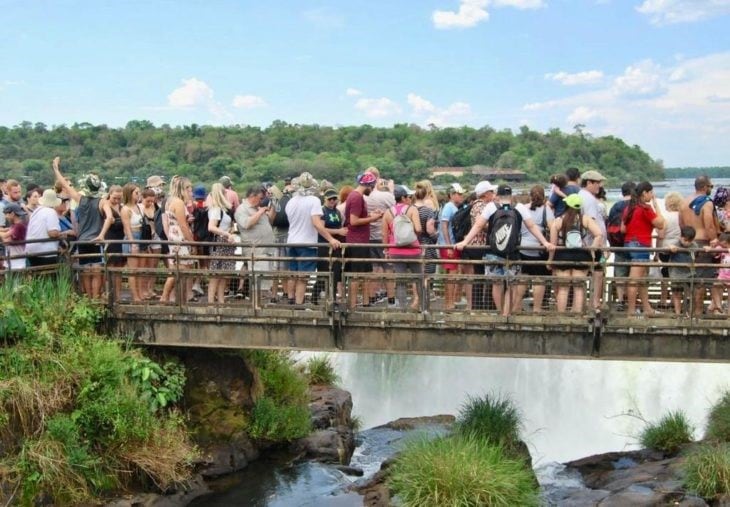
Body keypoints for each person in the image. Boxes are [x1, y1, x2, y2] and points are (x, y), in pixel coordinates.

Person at [456, 185, 554, 316]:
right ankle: (507, 313)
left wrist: (465, 242)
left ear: (497, 195)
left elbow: (478, 225)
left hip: (493, 253)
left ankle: (501, 312)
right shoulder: (519, 208)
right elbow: (531, 226)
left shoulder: (491, 207)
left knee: (497, 285)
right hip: (512, 253)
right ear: (511, 195)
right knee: (511, 286)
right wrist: (545, 242)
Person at [53, 158, 106, 299]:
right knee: (96, 270)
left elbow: (64, 184)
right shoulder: (101, 202)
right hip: (95, 240)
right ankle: (95, 298)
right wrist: (102, 233)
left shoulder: (79, 199)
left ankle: (88, 298)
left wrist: (56, 169)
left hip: (82, 240)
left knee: (85, 271)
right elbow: (110, 217)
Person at [285, 172, 341, 305]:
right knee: (303, 277)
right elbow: (316, 223)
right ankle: (299, 303)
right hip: (307, 243)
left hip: (292, 241)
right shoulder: (314, 201)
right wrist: (331, 239)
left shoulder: (291, 201)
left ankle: (291, 299)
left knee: (293, 272)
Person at [547, 194, 604, 313]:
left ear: (567, 205)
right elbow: (599, 234)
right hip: (581, 255)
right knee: (579, 288)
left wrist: (550, 260)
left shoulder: (558, 221)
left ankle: (561, 316)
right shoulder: (585, 219)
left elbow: (553, 245)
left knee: (563, 288)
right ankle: (577, 315)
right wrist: (592, 249)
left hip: (562, 256)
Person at [679, 175, 721, 315]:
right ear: (704, 187)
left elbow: (681, 224)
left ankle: (689, 311)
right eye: (710, 186)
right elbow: (708, 224)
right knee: (702, 279)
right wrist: (714, 240)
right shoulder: (707, 203)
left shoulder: (684, 202)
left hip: (687, 243)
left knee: (690, 277)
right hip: (703, 243)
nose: (711, 189)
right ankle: (697, 312)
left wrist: (687, 239)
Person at [621, 181, 665, 316]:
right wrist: (656, 205)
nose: (652, 196)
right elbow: (661, 224)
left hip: (629, 243)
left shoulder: (629, 208)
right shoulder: (645, 208)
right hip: (641, 245)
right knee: (634, 279)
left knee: (641, 278)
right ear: (645, 193)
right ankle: (631, 311)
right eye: (651, 193)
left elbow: (623, 229)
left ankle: (647, 308)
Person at [344, 171, 383, 308]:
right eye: (372, 187)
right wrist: (374, 218)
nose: (372, 190)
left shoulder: (356, 197)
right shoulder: (357, 198)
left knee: (366, 273)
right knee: (356, 275)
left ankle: (366, 302)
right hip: (357, 241)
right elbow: (353, 221)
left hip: (361, 241)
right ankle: (353, 304)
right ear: (368, 185)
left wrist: (371, 214)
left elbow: (357, 217)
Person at [513, 185, 554, 313]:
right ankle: (536, 308)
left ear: (530, 196)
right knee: (539, 279)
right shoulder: (546, 210)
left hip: (522, 248)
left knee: (522, 278)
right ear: (544, 196)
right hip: (539, 249)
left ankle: (517, 307)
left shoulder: (522, 209)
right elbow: (552, 228)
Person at [382, 185, 422, 310]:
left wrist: (386, 251)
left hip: (396, 250)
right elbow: (419, 229)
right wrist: (413, 235)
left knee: (400, 282)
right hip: (413, 250)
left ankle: (402, 309)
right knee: (419, 278)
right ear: (404, 197)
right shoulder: (412, 210)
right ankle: (423, 308)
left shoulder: (387, 213)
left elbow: (384, 234)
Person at [235, 185, 276, 304]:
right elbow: (247, 224)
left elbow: (270, 221)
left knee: (265, 281)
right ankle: (255, 306)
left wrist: (273, 207)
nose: (261, 201)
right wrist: (261, 212)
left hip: (266, 250)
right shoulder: (242, 209)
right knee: (257, 280)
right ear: (252, 196)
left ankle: (261, 305)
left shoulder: (258, 208)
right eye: (260, 198)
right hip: (255, 251)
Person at [160, 176, 195, 303]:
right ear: (183, 189)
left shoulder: (171, 201)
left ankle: (175, 297)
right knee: (179, 269)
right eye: (189, 189)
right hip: (179, 238)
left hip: (174, 236)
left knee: (179, 268)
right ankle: (166, 296)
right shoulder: (178, 203)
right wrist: (192, 242)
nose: (191, 192)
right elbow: (183, 225)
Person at [579, 169, 609, 312]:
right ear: (589, 183)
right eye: (597, 183)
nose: (599, 186)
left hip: (590, 242)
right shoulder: (589, 199)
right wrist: (599, 244)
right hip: (593, 243)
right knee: (597, 272)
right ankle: (595, 302)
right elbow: (591, 221)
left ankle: (590, 302)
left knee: (592, 272)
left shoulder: (582, 196)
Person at [314, 188, 347, 306]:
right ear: (325, 200)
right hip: (324, 245)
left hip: (336, 246)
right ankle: (315, 296)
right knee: (324, 274)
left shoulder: (337, 212)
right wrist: (338, 231)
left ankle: (332, 299)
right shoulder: (322, 211)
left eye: (335, 199)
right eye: (330, 199)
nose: (333, 201)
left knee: (336, 273)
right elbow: (321, 229)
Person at [207, 183, 237, 304]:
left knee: (223, 274)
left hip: (225, 242)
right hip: (219, 242)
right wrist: (227, 234)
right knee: (216, 274)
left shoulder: (223, 209)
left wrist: (229, 233)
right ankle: (211, 301)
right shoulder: (216, 209)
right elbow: (211, 227)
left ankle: (221, 300)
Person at [607, 182, 636, 310]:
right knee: (634, 275)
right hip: (634, 243)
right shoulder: (636, 206)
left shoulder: (615, 206)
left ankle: (620, 300)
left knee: (619, 274)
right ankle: (632, 301)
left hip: (618, 244)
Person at [438, 183, 466, 310]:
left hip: (451, 244)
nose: (461, 197)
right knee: (451, 274)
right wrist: (449, 246)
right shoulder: (449, 207)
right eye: (459, 194)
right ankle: (448, 303)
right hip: (448, 245)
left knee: (452, 273)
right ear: (452, 195)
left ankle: (451, 301)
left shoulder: (452, 207)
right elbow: (444, 226)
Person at [656, 191, 683, 309]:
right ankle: (675, 299)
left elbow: (661, 235)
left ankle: (663, 299)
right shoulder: (682, 217)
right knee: (676, 274)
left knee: (665, 274)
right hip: (679, 249)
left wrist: (656, 251)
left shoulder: (665, 217)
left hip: (665, 248)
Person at [25, 189, 61, 267]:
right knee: (50, 275)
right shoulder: (50, 212)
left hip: (31, 250)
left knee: (37, 276)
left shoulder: (36, 211)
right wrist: (63, 234)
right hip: (45, 251)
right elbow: (53, 233)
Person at [667, 226, 699, 316]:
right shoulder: (675, 243)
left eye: (690, 241)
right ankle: (678, 314)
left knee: (691, 293)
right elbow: (664, 251)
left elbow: (696, 254)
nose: (687, 243)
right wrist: (670, 248)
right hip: (676, 274)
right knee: (677, 294)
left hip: (690, 273)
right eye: (685, 240)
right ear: (680, 237)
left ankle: (688, 313)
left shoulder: (695, 245)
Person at [120, 183, 143, 302]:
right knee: (133, 270)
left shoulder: (138, 207)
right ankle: (135, 296)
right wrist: (133, 243)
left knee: (139, 269)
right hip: (132, 237)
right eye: (136, 193)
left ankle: (140, 293)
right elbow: (127, 228)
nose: (138, 195)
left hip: (140, 235)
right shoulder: (125, 209)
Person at [0, 203, 28, 270]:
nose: (6, 217)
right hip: (13, 261)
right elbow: (5, 230)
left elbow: (5, 239)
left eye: (6, 214)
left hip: (17, 263)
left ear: (12, 214)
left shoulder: (18, 226)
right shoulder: (15, 225)